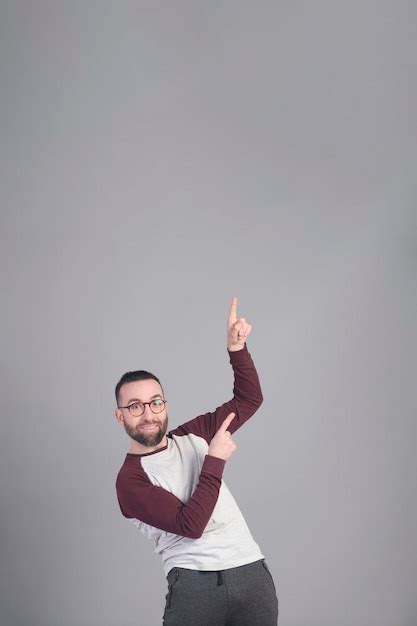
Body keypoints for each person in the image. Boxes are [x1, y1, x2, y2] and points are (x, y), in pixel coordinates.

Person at [115, 296, 279, 625]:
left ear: (165, 405)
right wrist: (215, 460)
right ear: (120, 417)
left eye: (155, 402)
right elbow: (191, 526)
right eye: (135, 406)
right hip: (195, 585)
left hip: (252, 576)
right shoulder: (130, 482)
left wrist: (237, 350)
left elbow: (249, 398)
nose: (147, 413)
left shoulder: (194, 434)